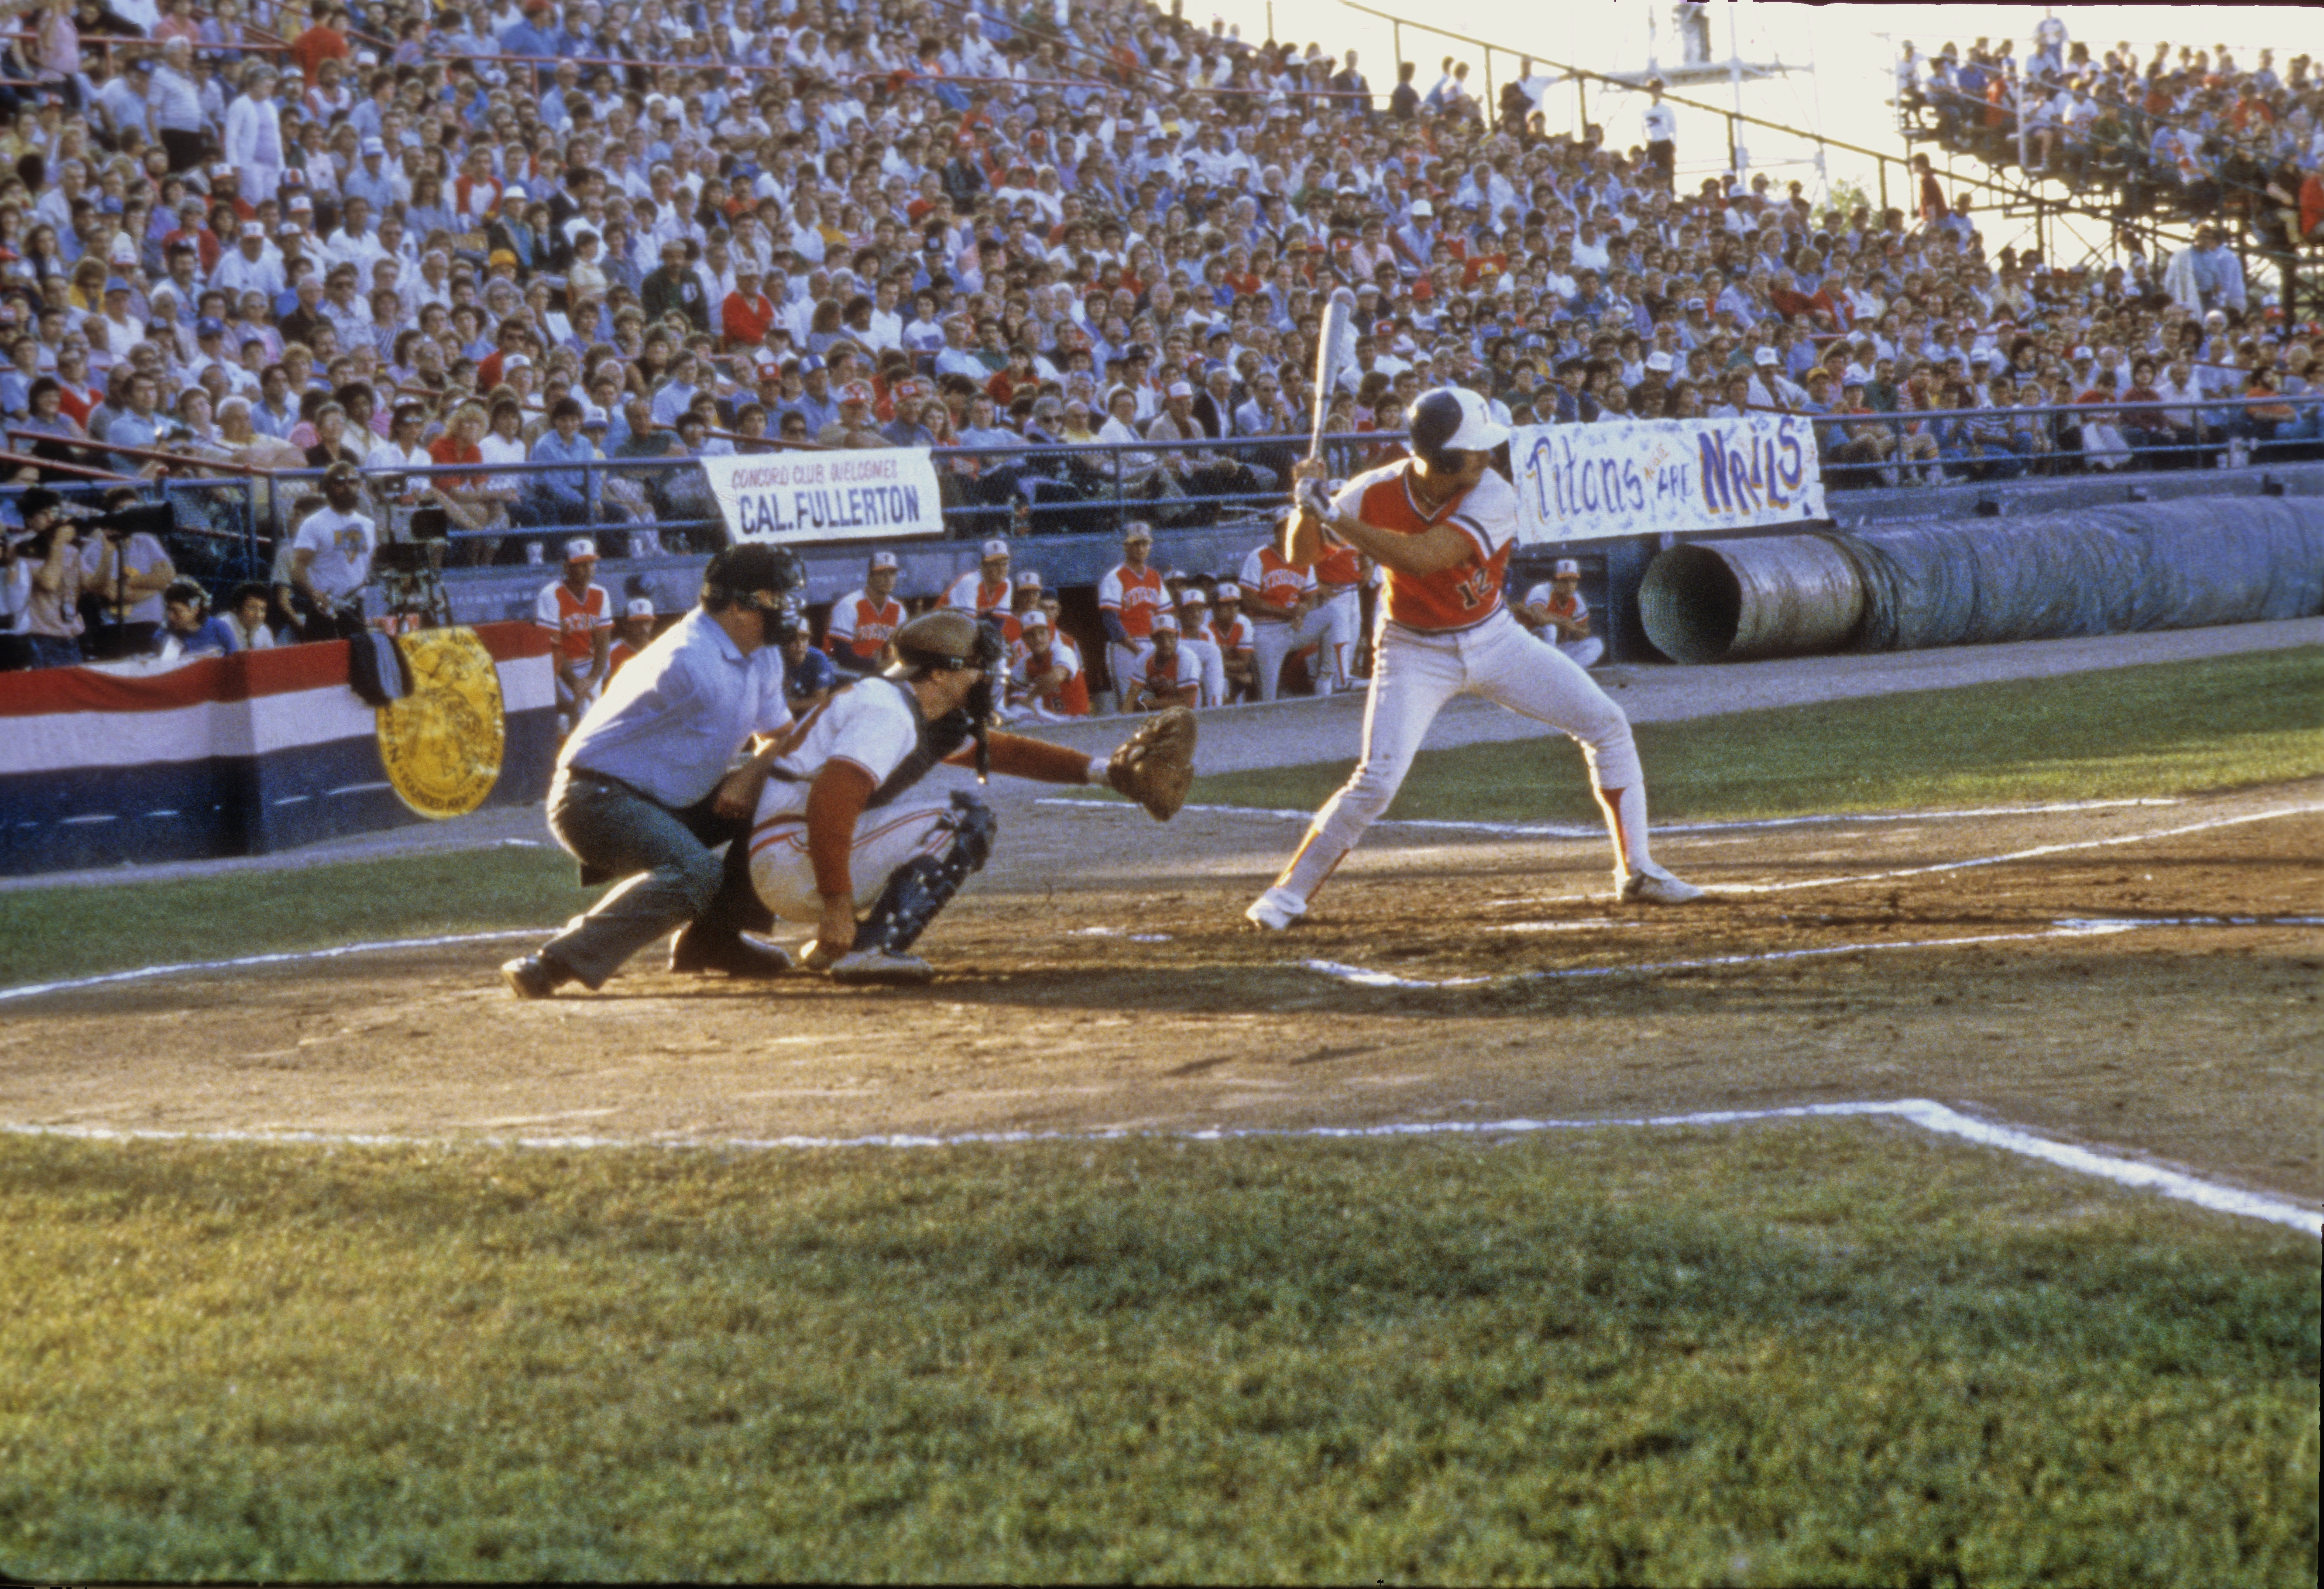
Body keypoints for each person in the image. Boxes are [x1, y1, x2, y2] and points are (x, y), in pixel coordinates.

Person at [1246, 388, 1701, 932]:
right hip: (1412, 649)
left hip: (1495, 639)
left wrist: (1333, 518)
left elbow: (1423, 558)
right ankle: (1285, 896)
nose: (1487, 457)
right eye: (1474, 450)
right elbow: (1301, 554)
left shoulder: (1494, 493)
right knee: (1377, 781)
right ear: (1440, 459)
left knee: (1606, 724)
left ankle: (1638, 871)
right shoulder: (1375, 491)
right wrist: (1307, 507)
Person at [740, 609, 1188, 985]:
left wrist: (1104, 773)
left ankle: (851, 943)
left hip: (789, 854)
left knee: (957, 817)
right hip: (794, 854)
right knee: (962, 821)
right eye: (975, 666)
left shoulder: (910, 705)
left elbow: (1009, 752)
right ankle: (870, 947)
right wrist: (838, 907)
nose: (984, 677)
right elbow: (831, 800)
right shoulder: (887, 711)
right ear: (939, 672)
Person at [500, 542, 810, 999]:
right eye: (777, 597)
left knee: (782, 794)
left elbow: (785, 736)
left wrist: (753, 771)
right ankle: (553, 963)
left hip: (664, 797)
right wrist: (753, 768)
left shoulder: (758, 652)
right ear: (739, 605)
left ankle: (715, 939)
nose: (789, 609)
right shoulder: (690, 659)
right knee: (696, 873)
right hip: (595, 797)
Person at [288, 462, 378, 641]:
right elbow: (298, 567)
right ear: (329, 487)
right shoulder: (314, 523)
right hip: (325, 608)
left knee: (360, 663)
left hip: (355, 606)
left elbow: (369, 564)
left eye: (353, 482)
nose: (347, 488)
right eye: (340, 483)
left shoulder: (368, 525)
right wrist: (313, 593)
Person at [536, 537, 613, 737]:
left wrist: (592, 679)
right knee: (588, 710)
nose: (588, 570)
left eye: (591, 563)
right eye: (581, 565)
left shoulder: (601, 594)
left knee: (591, 710)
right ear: (567, 567)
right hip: (561, 667)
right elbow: (553, 647)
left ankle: (567, 729)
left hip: (590, 666)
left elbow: (604, 643)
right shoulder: (551, 594)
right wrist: (576, 684)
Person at [1096, 520, 1167, 708]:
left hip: (1153, 644)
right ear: (1126, 546)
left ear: (1150, 546)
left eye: (1145, 544)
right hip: (1125, 647)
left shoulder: (1155, 577)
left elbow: (1166, 614)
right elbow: (1110, 621)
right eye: (1136, 544)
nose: (1141, 548)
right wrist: (1136, 649)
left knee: (1156, 700)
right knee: (1130, 703)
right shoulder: (1115, 577)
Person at [825, 550, 904, 677]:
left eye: (892, 573)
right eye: (881, 573)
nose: (888, 578)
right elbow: (843, 657)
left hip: (875, 672)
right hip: (842, 671)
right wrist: (879, 666)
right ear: (870, 577)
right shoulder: (849, 605)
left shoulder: (899, 610)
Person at [1516, 558, 1604, 668]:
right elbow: (1539, 617)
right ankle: (1547, 670)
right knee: (1550, 629)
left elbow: (1584, 630)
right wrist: (1564, 622)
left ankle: (1567, 672)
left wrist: (1578, 631)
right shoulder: (1541, 590)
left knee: (1596, 644)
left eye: (1573, 581)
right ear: (1554, 581)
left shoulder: (1576, 599)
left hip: (1554, 650)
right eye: (1564, 581)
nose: (1569, 586)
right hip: (1528, 649)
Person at [1125, 612, 1202, 712]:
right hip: (1161, 708)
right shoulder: (1145, 658)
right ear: (1153, 639)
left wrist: (1149, 704)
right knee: (1138, 702)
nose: (1166, 642)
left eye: (1170, 637)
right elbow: (1131, 696)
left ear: (1177, 637)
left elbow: (1187, 703)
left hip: (1191, 712)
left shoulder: (1187, 658)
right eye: (1160, 637)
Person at [155, 578, 238, 660]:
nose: (170, 616)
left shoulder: (220, 629)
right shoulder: (165, 633)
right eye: (168, 609)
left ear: (195, 610)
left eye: (177, 611)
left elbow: (235, 663)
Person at [781, 623, 838, 712]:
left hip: (805, 715)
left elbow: (819, 701)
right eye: (793, 640)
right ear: (783, 642)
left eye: (804, 639)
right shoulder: (773, 657)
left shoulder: (818, 659)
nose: (800, 647)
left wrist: (783, 706)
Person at [607, 598, 656, 679]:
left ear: (652, 624)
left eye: (647, 622)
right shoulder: (610, 652)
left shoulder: (660, 650)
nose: (643, 628)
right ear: (626, 625)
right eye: (638, 623)